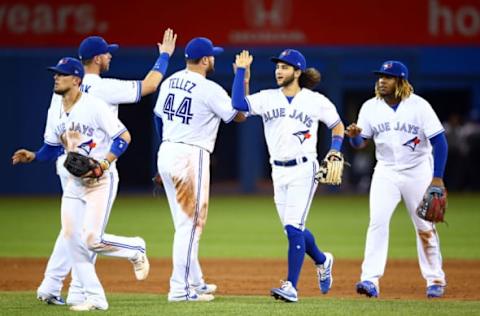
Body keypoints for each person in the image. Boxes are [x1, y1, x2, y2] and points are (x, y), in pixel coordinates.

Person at [33, 29, 177, 306]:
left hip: (70, 169)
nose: (110, 55)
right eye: (108, 52)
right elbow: (149, 85)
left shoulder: (61, 92)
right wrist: (164, 56)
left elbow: (52, 139)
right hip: (96, 167)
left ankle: (57, 288)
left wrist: (37, 156)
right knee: (86, 235)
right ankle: (75, 287)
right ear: (98, 58)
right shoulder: (102, 87)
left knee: (74, 233)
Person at [12, 57, 138, 311]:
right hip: (74, 183)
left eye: (62, 74)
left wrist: (104, 163)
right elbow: (52, 147)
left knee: (91, 239)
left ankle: (135, 248)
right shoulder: (55, 109)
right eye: (55, 74)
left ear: (76, 80)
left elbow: (123, 138)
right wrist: (35, 156)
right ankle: (94, 297)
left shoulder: (94, 106)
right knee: (71, 237)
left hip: (101, 179)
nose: (56, 77)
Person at [232, 49, 345, 302]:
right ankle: (323, 260)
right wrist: (241, 73)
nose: (278, 71)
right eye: (277, 67)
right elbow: (239, 105)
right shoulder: (268, 97)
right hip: (278, 172)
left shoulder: (316, 101)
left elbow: (337, 126)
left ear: (297, 72)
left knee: (294, 227)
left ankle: (291, 286)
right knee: (292, 230)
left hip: (305, 169)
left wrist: (335, 150)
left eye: (284, 67)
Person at [345, 60, 448, 298]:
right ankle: (370, 280)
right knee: (377, 223)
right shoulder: (370, 107)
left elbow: (439, 142)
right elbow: (361, 143)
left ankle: (435, 279)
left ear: (401, 81)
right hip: (386, 171)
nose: (382, 80)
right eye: (380, 76)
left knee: (424, 226)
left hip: (418, 170)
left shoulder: (419, 106)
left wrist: (437, 178)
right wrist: (354, 137)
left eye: (388, 77)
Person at [154, 37, 245, 302]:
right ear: (205, 60)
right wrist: (241, 74)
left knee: (183, 225)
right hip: (191, 156)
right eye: (212, 56)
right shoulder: (209, 88)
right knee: (190, 227)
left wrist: (166, 154)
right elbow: (237, 115)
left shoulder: (170, 80)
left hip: (167, 149)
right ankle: (179, 290)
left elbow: (158, 119)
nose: (213, 59)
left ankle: (196, 282)